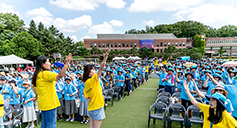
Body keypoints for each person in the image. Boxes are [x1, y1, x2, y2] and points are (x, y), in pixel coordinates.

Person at [31, 53, 72, 128]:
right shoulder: (46, 74)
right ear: (43, 64)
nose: (50, 64)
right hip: (49, 103)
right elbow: (60, 76)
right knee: (51, 124)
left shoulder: (36, 75)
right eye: (48, 62)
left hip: (42, 103)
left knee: (45, 123)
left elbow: (33, 86)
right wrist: (67, 63)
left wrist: (37, 94)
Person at [83, 50, 110, 128]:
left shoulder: (86, 82)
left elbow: (84, 95)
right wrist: (105, 58)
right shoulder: (93, 79)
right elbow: (101, 69)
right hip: (97, 106)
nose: (95, 71)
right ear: (89, 72)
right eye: (93, 69)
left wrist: (87, 98)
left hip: (91, 107)